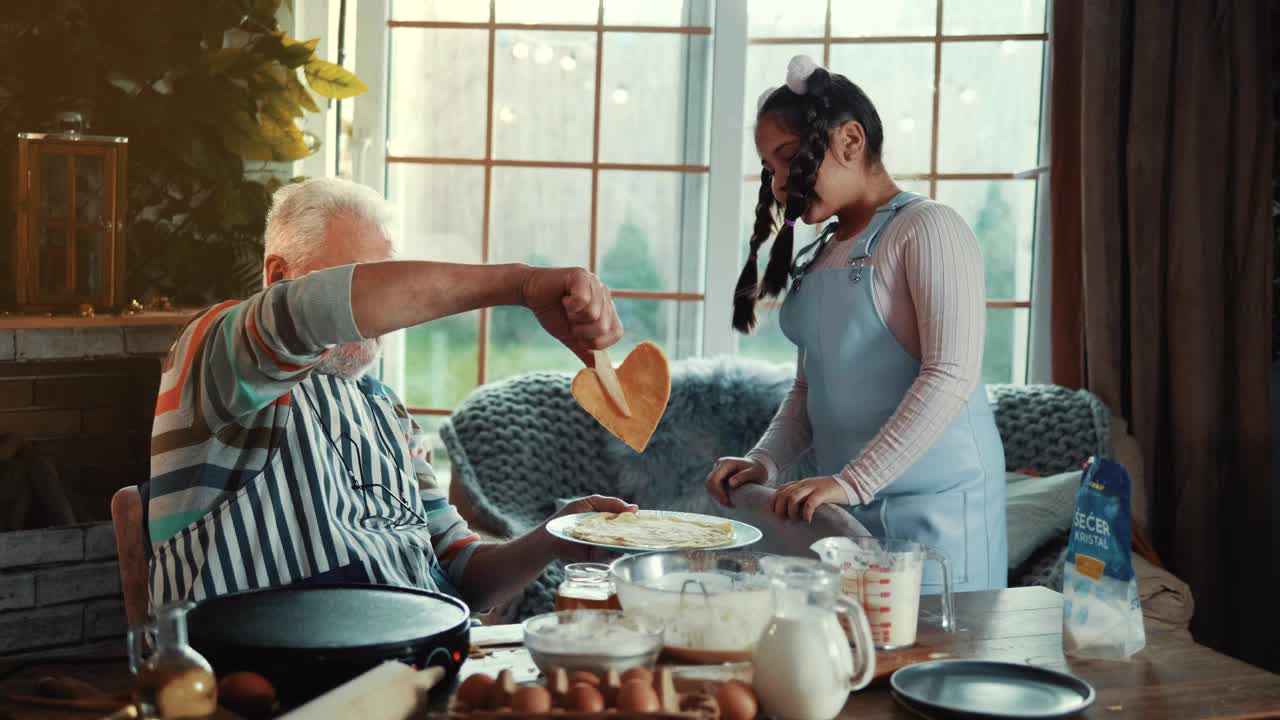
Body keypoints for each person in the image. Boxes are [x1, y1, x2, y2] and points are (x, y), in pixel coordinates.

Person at [144, 177, 636, 611]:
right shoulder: (217, 358)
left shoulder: (385, 412)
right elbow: (309, 314)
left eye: (388, 275)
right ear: (277, 276)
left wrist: (556, 536)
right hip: (273, 680)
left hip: (415, 662)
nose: (391, 312)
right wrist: (522, 285)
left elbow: (464, 572)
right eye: (363, 280)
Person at [705, 56, 1008, 591]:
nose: (778, 185)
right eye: (769, 170)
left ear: (850, 140)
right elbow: (807, 388)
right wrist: (765, 461)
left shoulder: (930, 229)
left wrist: (852, 481)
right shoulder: (823, 254)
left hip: (939, 527)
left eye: (789, 160)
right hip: (847, 520)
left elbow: (950, 374)